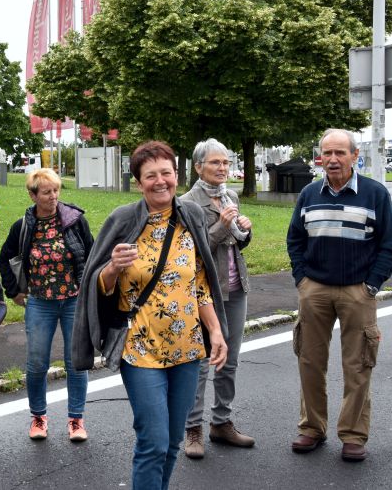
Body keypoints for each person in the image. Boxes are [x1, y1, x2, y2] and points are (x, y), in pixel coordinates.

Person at [73, 141, 228, 490]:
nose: (160, 181)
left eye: (166, 173)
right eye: (150, 175)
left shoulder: (191, 217)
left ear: (176, 175)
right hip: (141, 348)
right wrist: (112, 267)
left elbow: (200, 283)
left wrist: (216, 331)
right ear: (138, 181)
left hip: (188, 348)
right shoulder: (123, 220)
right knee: (153, 442)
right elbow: (98, 285)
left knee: (172, 442)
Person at [287, 128, 392, 462]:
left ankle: (353, 435)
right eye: (327, 153)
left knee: (358, 365)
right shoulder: (309, 193)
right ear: (320, 157)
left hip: (357, 291)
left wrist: (371, 286)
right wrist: (302, 280)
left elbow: (390, 247)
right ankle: (312, 428)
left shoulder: (375, 194)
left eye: (340, 153)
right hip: (315, 290)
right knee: (309, 362)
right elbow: (295, 240)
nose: (333, 159)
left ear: (354, 156)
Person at [0, 169, 94, 441]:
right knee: (37, 362)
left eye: (56, 190)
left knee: (76, 362)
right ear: (33, 195)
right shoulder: (23, 226)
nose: (53, 196)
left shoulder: (75, 221)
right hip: (40, 302)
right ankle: (38, 417)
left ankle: (76, 420)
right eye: (46, 192)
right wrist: (14, 291)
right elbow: (4, 258)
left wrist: (90, 289)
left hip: (74, 300)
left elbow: (92, 253)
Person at [181, 138, 255, 458]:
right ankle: (193, 428)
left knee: (230, 359)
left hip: (236, 288)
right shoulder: (187, 203)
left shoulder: (230, 195)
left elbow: (237, 243)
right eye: (215, 162)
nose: (222, 168)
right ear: (199, 167)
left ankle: (221, 422)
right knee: (201, 362)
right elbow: (190, 253)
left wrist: (245, 230)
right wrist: (222, 228)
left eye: (226, 162)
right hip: (204, 293)